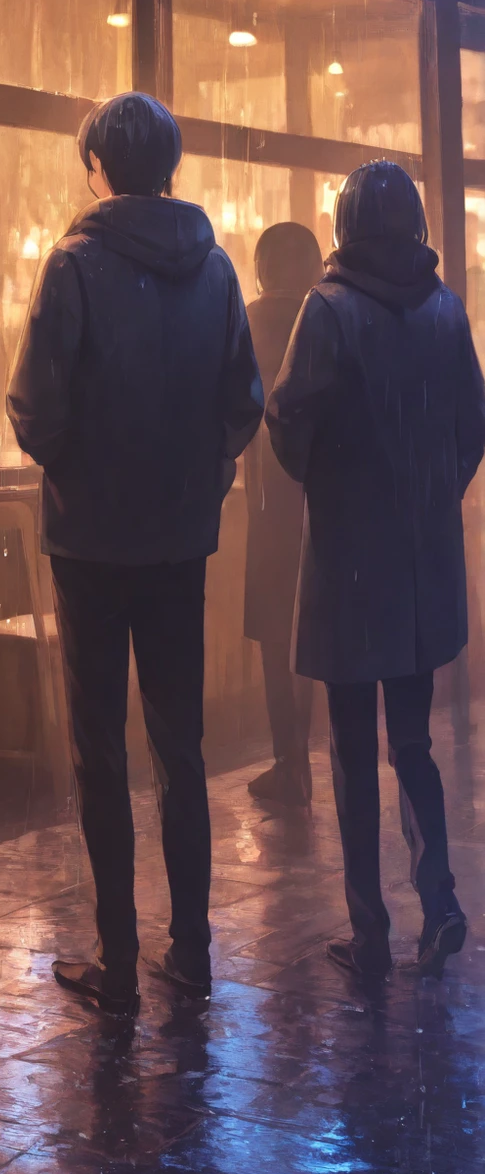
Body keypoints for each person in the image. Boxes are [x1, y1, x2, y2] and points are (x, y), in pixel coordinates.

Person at [6, 92, 263, 1015]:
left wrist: (83, 464)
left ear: (100, 167)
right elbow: (243, 401)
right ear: (171, 166)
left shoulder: (74, 265)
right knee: (179, 745)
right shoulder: (216, 269)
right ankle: (189, 950)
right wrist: (195, 471)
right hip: (178, 543)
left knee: (97, 749)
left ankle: (117, 960)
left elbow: (34, 408)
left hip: (88, 543)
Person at [265, 160, 485, 981]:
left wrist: (334, 482)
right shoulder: (445, 312)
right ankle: (442, 901)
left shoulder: (327, 313)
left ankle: (368, 931)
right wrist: (428, 494)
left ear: (343, 227)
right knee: (415, 745)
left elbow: (287, 422)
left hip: (348, 566)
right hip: (422, 565)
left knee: (352, 754)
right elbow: (473, 425)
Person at [243, 221, 324, 808]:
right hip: (325, 505)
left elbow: (231, 407)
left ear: (262, 268)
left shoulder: (248, 319)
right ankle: (315, 757)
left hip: (268, 504)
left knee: (277, 638)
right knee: (316, 630)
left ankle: (288, 760)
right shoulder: (329, 316)